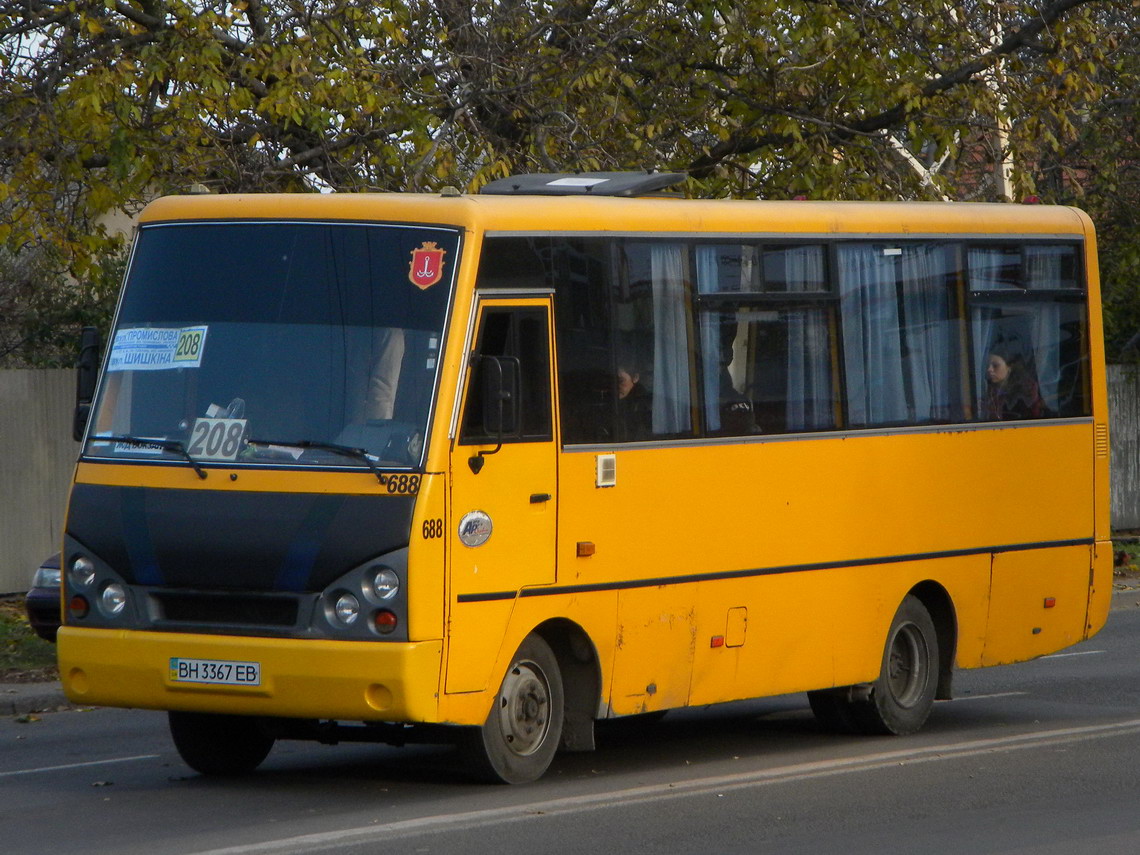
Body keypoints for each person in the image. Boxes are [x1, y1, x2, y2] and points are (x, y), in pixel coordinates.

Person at [982, 338, 1045, 420]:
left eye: (995, 365)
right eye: (988, 365)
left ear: (1009, 367)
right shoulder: (985, 388)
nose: (989, 369)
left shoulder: (1026, 389)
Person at [615, 362, 652, 440]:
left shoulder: (646, 405)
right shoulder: (612, 403)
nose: (616, 386)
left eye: (621, 381)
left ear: (635, 378)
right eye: (613, 381)